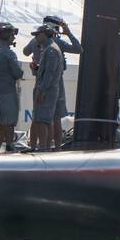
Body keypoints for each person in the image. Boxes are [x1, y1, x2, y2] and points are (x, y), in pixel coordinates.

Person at [24, 15, 82, 150]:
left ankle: (34, 146)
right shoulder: (57, 44)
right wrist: (68, 33)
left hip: (39, 80)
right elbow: (79, 49)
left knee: (37, 116)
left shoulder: (36, 41)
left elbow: (25, 52)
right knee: (55, 118)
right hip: (55, 82)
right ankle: (55, 147)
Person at [0, 22, 24, 152]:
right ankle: (9, 147)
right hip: (7, 90)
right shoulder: (9, 53)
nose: (13, 37)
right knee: (9, 120)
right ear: (7, 35)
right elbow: (17, 73)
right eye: (12, 34)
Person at [27, 24, 64, 151]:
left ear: (44, 34)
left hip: (47, 90)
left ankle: (43, 148)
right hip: (48, 89)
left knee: (43, 120)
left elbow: (50, 73)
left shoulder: (51, 50)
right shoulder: (49, 49)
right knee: (45, 120)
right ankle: (45, 147)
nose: (36, 37)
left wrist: (42, 91)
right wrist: (36, 69)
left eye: (37, 34)